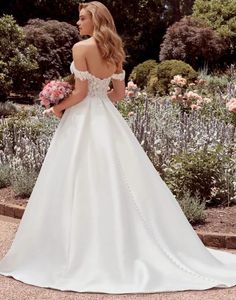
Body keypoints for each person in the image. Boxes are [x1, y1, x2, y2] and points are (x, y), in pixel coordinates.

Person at [0, 1, 236, 294]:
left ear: (96, 21)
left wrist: (58, 106)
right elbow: (119, 94)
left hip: (82, 120)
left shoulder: (81, 48)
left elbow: (81, 92)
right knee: (119, 178)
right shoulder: (114, 51)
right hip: (108, 120)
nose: (78, 23)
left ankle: (75, 249)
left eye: (82, 18)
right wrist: (98, 105)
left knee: (77, 179)